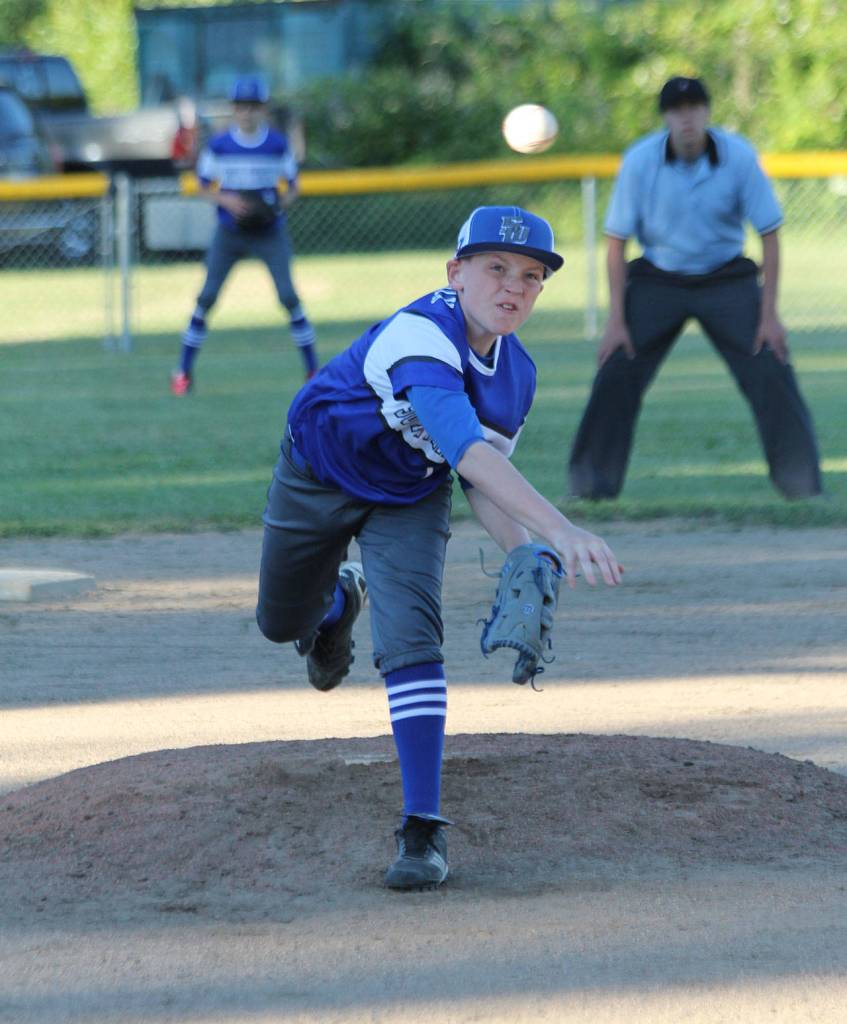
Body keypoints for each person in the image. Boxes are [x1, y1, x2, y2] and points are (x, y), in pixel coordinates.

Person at [255, 206, 623, 890]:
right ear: (455, 273)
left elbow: (479, 482)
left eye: (530, 275)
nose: (512, 286)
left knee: (413, 642)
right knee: (281, 624)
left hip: (407, 494)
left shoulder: (516, 376)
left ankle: (421, 828)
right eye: (494, 269)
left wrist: (522, 552)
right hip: (315, 474)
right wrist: (559, 531)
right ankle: (336, 605)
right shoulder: (421, 334)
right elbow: (465, 448)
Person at [568, 76, 822, 501]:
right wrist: (615, 322)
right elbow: (616, 245)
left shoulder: (739, 156)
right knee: (616, 366)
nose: (686, 117)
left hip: (726, 278)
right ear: (666, 116)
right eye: (676, 108)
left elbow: (770, 235)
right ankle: (590, 489)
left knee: (770, 362)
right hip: (658, 278)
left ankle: (804, 489)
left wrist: (769, 316)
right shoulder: (639, 160)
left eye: (694, 107)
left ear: (707, 112)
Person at [170, 74, 317, 396]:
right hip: (230, 231)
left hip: (268, 231)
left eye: (253, 106)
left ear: (263, 109)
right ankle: (182, 371)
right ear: (233, 110)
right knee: (206, 297)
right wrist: (228, 200)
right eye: (241, 106)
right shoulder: (221, 145)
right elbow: (202, 186)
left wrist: (275, 204)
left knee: (289, 296)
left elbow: (293, 188)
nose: (246, 113)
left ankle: (312, 370)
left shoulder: (276, 143)